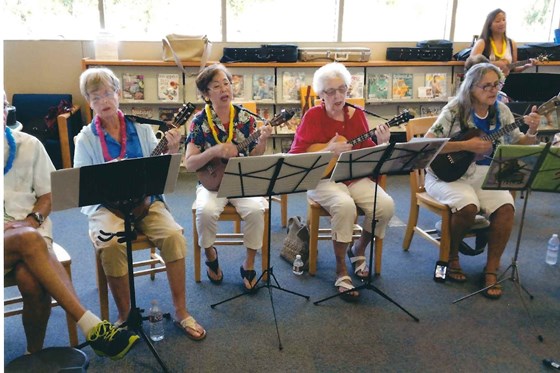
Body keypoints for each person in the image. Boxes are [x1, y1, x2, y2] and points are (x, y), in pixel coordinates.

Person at [3, 92, 139, 359]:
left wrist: (33, 220)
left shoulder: (29, 145)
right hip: (20, 240)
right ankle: (91, 325)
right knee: (28, 239)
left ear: (7, 111)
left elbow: (47, 194)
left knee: (30, 280)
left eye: (2, 106)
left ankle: (34, 355)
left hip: (30, 233)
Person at [74, 68, 206, 340]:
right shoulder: (85, 139)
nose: (104, 101)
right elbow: (83, 187)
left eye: (108, 93)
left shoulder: (142, 128)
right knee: (111, 244)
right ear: (89, 102)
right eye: (96, 97)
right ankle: (125, 314)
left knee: (173, 236)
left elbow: (161, 175)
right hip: (106, 207)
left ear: (119, 94)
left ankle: (182, 311)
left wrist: (170, 150)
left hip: (146, 201)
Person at [424, 63, 541, 299]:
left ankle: (491, 269)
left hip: (484, 174)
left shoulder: (502, 111)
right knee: (468, 207)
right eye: (486, 85)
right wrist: (465, 145)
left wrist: (532, 132)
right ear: (471, 87)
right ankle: (453, 256)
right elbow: (428, 144)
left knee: (506, 207)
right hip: (446, 175)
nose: (493, 90)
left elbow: (518, 144)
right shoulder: (455, 109)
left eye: (496, 84)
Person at [288, 62, 395, 301]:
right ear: (320, 95)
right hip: (322, 179)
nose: (338, 96)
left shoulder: (356, 115)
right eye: (330, 91)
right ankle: (341, 270)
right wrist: (328, 150)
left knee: (385, 206)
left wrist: (381, 144)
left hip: (353, 176)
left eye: (342, 89)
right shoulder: (312, 116)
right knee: (345, 207)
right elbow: (295, 156)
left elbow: (367, 153)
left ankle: (358, 249)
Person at [184, 63, 272, 291]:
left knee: (255, 210)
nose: (224, 90)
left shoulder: (245, 118)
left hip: (240, 177)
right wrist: (214, 151)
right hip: (211, 182)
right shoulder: (199, 121)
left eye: (227, 84)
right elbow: (190, 163)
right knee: (205, 211)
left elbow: (254, 155)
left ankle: (249, 264)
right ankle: (210, 255)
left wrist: (262, 140)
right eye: (216, 86)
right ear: (206, 94)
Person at [471, 8, 535, 76]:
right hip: (485, 83)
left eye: (504, 20)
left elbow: (513, 68)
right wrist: (493, 64)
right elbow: (471, 63)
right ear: (489, 25)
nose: (502, 23)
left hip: (506, 82)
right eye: (498, 21)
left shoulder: (511, 43)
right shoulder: (482, 43)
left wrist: (525, 66)